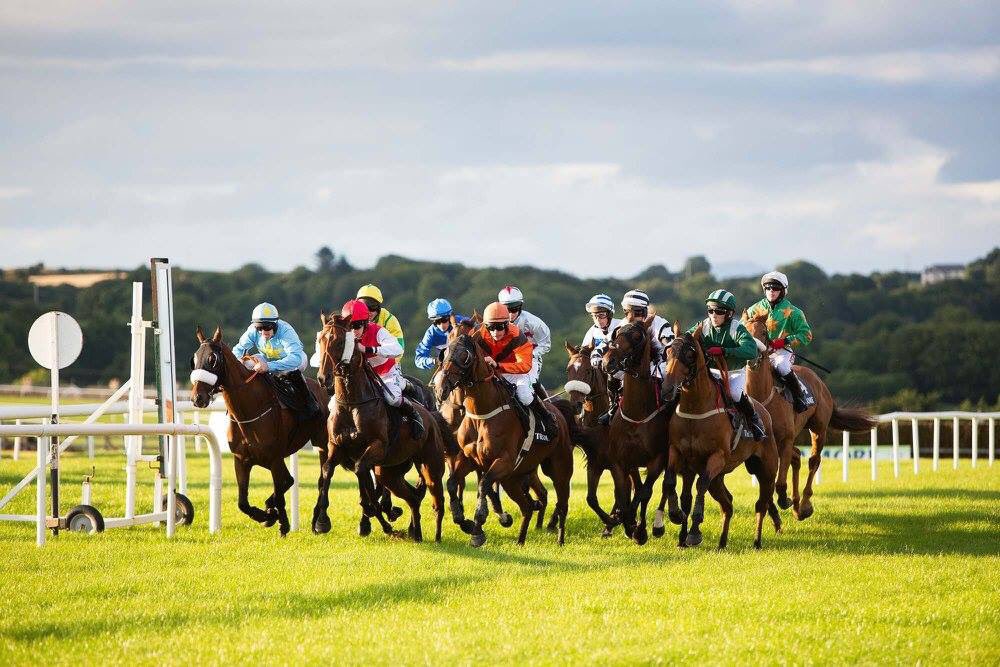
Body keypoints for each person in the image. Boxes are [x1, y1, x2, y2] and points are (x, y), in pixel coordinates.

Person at [340, 299, 424, 439]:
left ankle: (414, 414)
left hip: (386, 373)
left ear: (365, 323)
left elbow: (398, 349)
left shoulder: (378, 331)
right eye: (350, 326)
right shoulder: (346, 337)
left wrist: (368, 349)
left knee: (392, 399)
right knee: (332, 404)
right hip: (365, 378)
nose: (354, 331)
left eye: (357, 325)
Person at [689, 289, 766, 440]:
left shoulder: (737, 328)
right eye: (710, 310)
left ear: (729, 314)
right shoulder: (703, 325)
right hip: (709, 372)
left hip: (734, 373)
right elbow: (687, 338)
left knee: (735, 394)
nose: (713, 315)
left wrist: (724, 351)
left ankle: (754, 421)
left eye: (719, 311)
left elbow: (751, 351)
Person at [479, 301, 557, 438]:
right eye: (491, 327)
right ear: (485, 326)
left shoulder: (517, 336)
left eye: (500, 327)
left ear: (507, 324)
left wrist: (499, 365)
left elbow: (525, 365)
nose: (496, 332)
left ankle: (546, 419)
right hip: (492, 372)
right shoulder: (478, 334)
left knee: (525, 396)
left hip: (516, 372)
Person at [231, 302, 320, 418]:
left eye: (267, 327)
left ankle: (307, 403)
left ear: (275, 324)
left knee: (285, 371)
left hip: (294, 361)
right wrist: (240, 360)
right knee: (247, 363)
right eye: (259, 328)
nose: (263, 332)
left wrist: (268, 366)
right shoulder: (252, 331)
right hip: (267, 360)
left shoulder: (286, 331)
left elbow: (295, 358)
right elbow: (237, 350)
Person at [745, 270, 813, 412]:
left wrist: (784, 341)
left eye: (775, 288)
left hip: (781, 352)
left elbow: (806, 335)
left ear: (783, 291)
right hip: (756, 352)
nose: (771, 291)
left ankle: (799, 397)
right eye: (768, 287)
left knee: (782, 366)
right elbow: (741, 329)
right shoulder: (753, 310)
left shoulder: (794, 312)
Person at [497, 285, 551, 387]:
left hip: (530, 360)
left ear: (520, 306)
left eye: (514, 309)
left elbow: (545, 345)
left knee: (525, 387)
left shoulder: (535, 323)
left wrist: (530, 354)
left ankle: (539, 394)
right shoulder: (494, 322)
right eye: (506, 309)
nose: (510, 314)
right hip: (503, 360)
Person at [414, 298, 467, 387]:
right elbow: (418, 359)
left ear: (450, 316)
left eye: (444, 320)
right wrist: (434, 360)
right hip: (447, 368)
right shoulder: (430, 333)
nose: (441, 325)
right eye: (437, 322)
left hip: (466, 362)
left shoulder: (461, 322)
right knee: (439, 386)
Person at [580, 293, 622, 369]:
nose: (598, 320)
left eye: (601, 315)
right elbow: (583, 356)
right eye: (594, 316)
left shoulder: (621, 325)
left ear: (609, 314)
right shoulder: (592, 331)